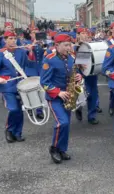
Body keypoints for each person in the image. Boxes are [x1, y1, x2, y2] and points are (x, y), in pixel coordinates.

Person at [40, 34, 83, 164]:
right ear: (57, 46)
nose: (68, 48)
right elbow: (44, 82)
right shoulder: (49, 59)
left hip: (68, 96)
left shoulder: (71, 58)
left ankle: (62, 149)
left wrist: (79, 77)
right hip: (55, 97)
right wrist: (58, 92)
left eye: (69, 45)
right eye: (65, 45)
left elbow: (76, 73)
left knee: (66, 124)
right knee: (62, 122)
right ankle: (54, 148)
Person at [0, 31, 35, 143]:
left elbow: (30, 64)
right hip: (7, 85)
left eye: (14, 38)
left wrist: (30, 50)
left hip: (20, 84)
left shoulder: (21, 52)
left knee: (20, 110)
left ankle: (18, 133)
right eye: (10, 38)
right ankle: (9, 129)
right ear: (5, 40)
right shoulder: (0, 53)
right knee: (13, 109)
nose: (13, 40)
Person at [74, 27, 100, 124]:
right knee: (79, 92)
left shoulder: (91, 44)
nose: (85, 35)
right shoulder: (74, 46)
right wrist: (78, 63)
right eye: (82, 33)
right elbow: (69, 60)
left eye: (86, 33)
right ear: (78, 35)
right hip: (79, 71)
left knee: (92, 93)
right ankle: (78, 108)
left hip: (91, 71)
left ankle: (91, 116)